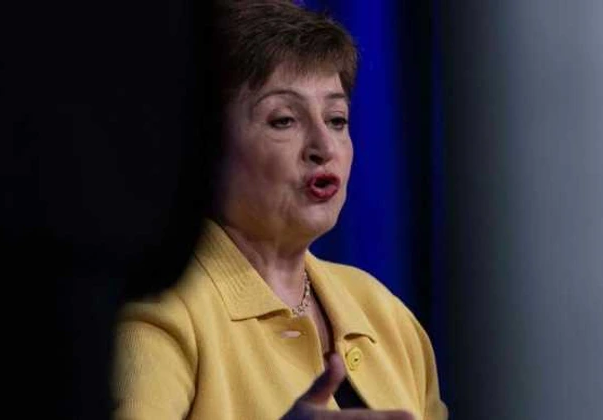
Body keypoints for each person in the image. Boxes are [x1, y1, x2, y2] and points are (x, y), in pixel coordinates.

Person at [113, 1, 448, 419]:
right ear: (205, 146)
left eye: (337, 119)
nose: (324, 147)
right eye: (284, 120)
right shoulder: (161, 315)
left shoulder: (383, 314)